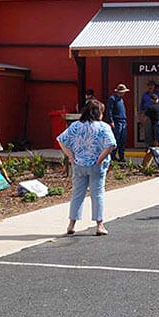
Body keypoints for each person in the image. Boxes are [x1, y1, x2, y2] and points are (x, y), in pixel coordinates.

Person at [58, 99, 117, 236]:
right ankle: (99, 224)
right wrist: (100, 159)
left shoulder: (75, 126)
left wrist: (70, 157)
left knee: (77, 194)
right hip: (96, 166)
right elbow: (111, 144)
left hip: (79, 164)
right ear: (98, 113)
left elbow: (61, 140)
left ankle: (72, 224)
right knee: (97, 194)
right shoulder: (103, 126)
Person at [105, 84, 129, 163]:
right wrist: (111, 121)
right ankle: (113, 156)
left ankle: (121, 156)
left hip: (123, 121)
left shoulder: (121, 99)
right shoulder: (113, 99)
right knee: (116, 139)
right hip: (117, 121)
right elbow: (109, 110)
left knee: (123, 140)